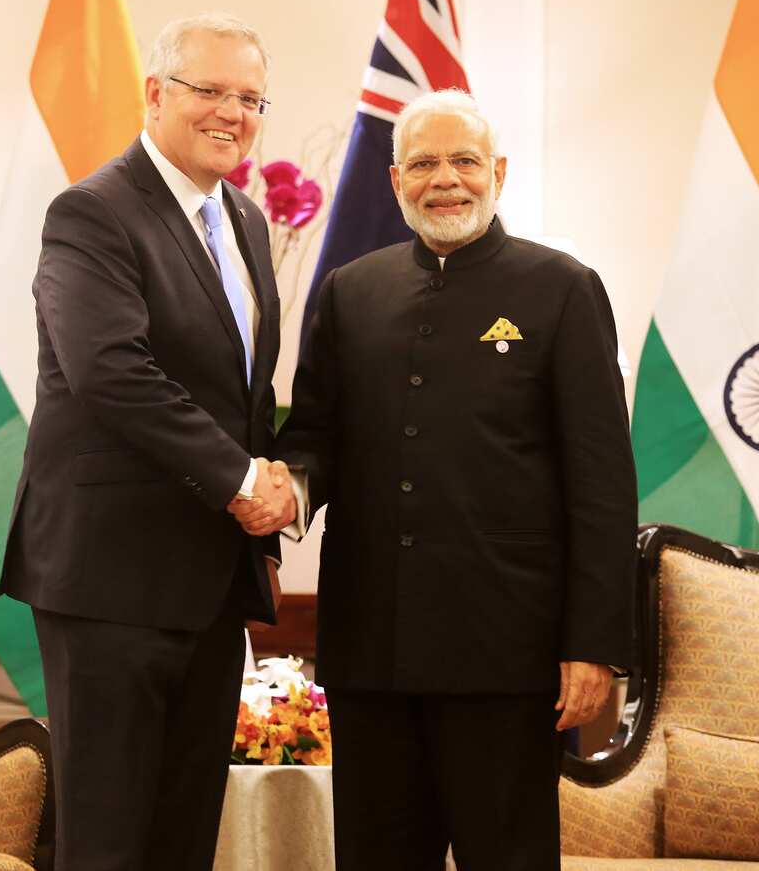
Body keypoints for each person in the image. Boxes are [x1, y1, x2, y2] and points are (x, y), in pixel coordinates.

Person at [235, 88, 636, 870]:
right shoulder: (352, 291)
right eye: (423, 163)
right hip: (370, 646)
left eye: (464, 160)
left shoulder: (562, 289)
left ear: (499, 172)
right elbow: (314, 435)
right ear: (394, 181)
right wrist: (287, 491)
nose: (444, 179)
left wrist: (594, 645)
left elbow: (602, 482)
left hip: (509, 653)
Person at [0, 13, 296, 871]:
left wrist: (274, 501)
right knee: (109, 839)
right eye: (210, 90)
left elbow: (243, 395)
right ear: (157, 93)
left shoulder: (240, 219)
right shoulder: (91, 213)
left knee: (180, 837)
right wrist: (245, 480)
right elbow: (111, 374)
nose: (231, 113)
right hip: (110, 580)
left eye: (250, 97)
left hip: (207, 582)